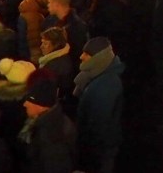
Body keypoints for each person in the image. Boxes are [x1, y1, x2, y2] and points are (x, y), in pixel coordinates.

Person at [74, 36, 124, 173]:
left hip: (101, 151)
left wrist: (88, 152)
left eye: (87, 54)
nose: (81, 57)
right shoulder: (97, 74)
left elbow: (99, 125)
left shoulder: (106, 86)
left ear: (98, 59)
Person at [18, 78, 76, 173]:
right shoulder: (48, 121)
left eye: (30, 101)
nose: (25, 104)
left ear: (41, 105)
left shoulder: (51, 137)